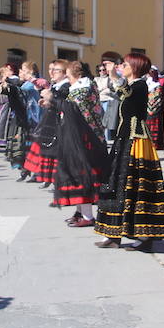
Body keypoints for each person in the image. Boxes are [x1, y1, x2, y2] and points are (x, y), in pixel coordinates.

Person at [95, 53, 164, 251]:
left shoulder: (140, 85)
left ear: (135, 67)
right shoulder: (133, 85)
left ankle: (144, 236)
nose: (122, 66)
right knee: (117, 183)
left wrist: (114, 74)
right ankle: (113, 234)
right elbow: (121, 92)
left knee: (134, 186)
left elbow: (126, 91)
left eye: (125, 64)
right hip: (125, 138)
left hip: (136, 140)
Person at [54, 60, 108, 227]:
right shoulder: (81, 87)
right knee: (77, 173)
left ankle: (87, 216)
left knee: (82, 175)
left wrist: (52, 101)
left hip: (86, 138)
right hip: (83, 136)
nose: (68, 79)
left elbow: (73, 108)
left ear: (77, 75)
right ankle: (80, 212)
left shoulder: (83, 89)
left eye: (69, 76)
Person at [25, 60, 69, 184]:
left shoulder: (65, 86)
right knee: (46, 147)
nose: (52, 72)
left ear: (65, 73)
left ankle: (55, 179)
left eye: (56, 70)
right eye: (52, 70)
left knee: (53, 149)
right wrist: (46, 102)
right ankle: (44, 175)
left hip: (58, 122)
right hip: (50, 119)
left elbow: (62, 102)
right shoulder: (57, 85)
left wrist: (50, 98)